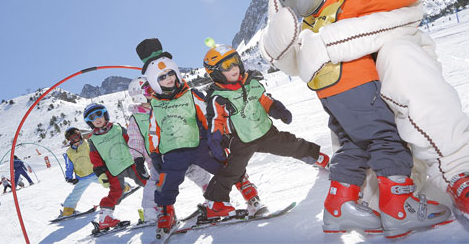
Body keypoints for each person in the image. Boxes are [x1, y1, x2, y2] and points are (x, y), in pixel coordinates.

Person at [274, 0, 452, 238]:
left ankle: (338, 207)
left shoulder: (308, 23)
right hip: (358, 87)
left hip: (330, 96)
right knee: (386, 137)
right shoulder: (351, 0)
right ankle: (398, 210)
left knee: (352, 144)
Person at [136, 38, 261, 237]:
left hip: (199, 145)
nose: (168, 78)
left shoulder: (190, 94)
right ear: (154, 83)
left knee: (225, 165)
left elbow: (208, 114)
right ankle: (166, 213)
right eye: (162, 77)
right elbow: (154, 132)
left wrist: (215, 137)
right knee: (165, 184)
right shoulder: (156, 107)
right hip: (172, 153)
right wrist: (155, 154)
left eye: (171, 73)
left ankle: (248, 191)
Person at [202, 43, 330, 219]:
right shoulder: (218, 97)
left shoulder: (251, 83)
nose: (233, 67)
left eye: (234, 61)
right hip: (242, 140)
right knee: (232, 170)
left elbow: (264, 100)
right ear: (215, 72)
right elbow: (216, 120)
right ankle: (215, 203)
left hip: (265, 132)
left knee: (291, 144)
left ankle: (318, 158)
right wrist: (215, 140)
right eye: (226, 65)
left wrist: (277, 109)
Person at [127, 77, 211, 224]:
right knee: (157, 184)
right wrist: (138, 159)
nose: (153, 90)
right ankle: (153, 212)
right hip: (158, 159)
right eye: (148, 89)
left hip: (182, 149)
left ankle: (213, 198)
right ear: (139, 95)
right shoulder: (136, 118)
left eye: (153, 86)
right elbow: (135, 141)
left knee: (199, 173)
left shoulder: (164, 104)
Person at [84, 103, 150, 231]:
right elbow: (95, 158)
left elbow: (132, 140)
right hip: (113, 170)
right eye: (92, 117)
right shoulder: (93, 140)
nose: (96, 119)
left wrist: (140, 157)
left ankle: (157, 206)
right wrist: (101, 174)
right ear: (89, 122)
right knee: (116, 192)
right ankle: (105, 218)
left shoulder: (118, 128)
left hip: (130, 163)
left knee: (147, 182)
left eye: (98, 114)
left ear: (105, 114)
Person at [59, 127, 100, 217]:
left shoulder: (88, 144)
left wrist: (101, 166)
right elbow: (69, 166)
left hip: (94, 173)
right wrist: (69, 177)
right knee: (76, 193)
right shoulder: (69, 152)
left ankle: (124, 187)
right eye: (72, 139)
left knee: (109, 180)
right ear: (69, 141)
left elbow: (97, 155)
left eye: (76, 137)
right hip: (81, 178)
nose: (75, 141)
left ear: (80, 136)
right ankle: (68, 209)